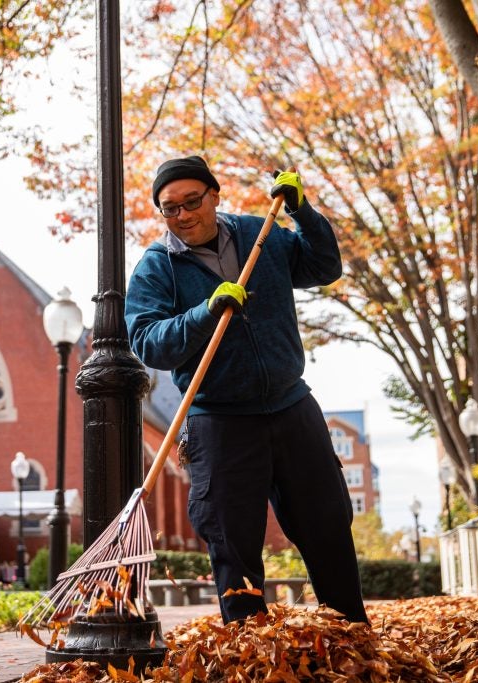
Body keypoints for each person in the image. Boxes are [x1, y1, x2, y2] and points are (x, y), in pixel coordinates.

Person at [125, 155, 368, 625]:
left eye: (192, 201)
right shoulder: (158, 268)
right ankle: (249, 653)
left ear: (214, 195)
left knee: (327, 527)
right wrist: (204, 312)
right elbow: (147, 343)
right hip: (218, 420)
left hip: (291, 405)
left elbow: (324, 266)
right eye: (169, 209)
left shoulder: (264, 237)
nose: (183, 216)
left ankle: (353, 638)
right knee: (231, 542)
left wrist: (303, 212)